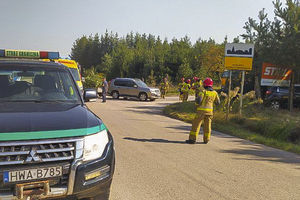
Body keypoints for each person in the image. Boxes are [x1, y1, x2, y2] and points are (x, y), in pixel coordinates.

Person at [186, 78, 220, 144]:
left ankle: (192, 139)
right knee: (208, 126)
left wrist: (196, 100)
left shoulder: (203, 92)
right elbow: (218, 103)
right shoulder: (215, 93)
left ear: (204, 84)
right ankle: (206, 139)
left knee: (196, 125)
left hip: (201, 112)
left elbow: (199, 101)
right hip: (210, 112)